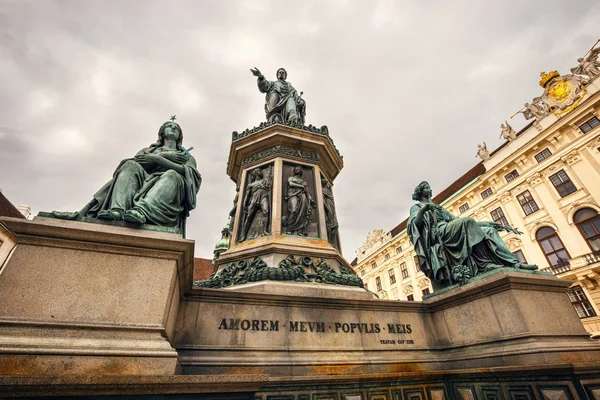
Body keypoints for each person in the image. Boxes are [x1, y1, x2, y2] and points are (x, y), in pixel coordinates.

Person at [52, 119, 201, 235]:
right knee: (129, 165)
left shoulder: (186, 156)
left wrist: (158, 160)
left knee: (172, 175)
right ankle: (118, 210)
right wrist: (160, 155)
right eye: (169, 126)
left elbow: (190, 175)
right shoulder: (148, 150)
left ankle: (141, 211)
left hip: (169, 188)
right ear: (161, 133)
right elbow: (137, 164)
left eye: (177, 128)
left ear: (180, 136)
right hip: (144, 181)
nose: (173, 128)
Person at [407, 181, 536, 288]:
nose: (431, 189)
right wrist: (424, 210)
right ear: (421, 192)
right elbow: (415, 224)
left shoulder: (438, 207)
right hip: (438, 233)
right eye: (428, 187)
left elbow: (455, 219)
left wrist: (488, 223)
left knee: (489, 231)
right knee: (467, 221)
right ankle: (485, 264)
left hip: (450, 228)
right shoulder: (416, 207)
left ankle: (513, 263)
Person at [283, 165, 316, 236]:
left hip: (302, 196)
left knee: (302, 213)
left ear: (301, 172)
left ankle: (300, 231)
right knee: (294, 210)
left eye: (299, 169)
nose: (298, 170)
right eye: (296, 169)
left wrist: (310, 199)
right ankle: (289, 228)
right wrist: (301, 186)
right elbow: (290, 184)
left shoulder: (303, 181)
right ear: (294, 171)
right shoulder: (291, 178)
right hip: (293, 195)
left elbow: (306, 191)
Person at [240, 167, 271, 241]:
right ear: (256, 173)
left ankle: (264, 231)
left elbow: (269, 186)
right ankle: (243, 235)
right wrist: (244, 205)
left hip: (263, 197)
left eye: (261, 171)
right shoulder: (251, 185)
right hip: (254, 199)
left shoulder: (264, 181)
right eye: (259, 171)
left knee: (266, 211)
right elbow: (247, 196)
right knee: (249, 216)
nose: (261, 172)